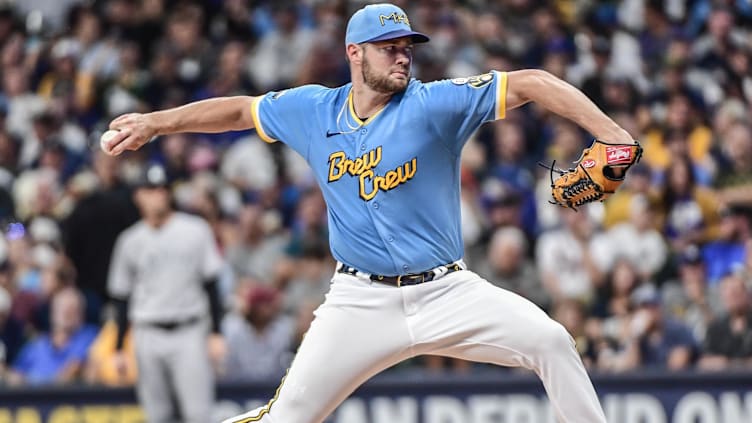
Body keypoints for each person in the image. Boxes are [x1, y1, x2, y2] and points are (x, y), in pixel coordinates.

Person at [103, 4, 639, 422]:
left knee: (551, 342)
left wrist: (612, 136)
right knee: (285, 417)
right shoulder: (314, 109)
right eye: (389, 48)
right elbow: (239, 110)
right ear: (355, 52)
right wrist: (156, 122)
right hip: (359, 300)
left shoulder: (434, 104)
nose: (403, 56)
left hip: (447, 291)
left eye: (408, 46)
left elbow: (532, 82)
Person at [107, 164, 226, 423]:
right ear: (138, 195)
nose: (158, 195)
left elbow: (211, 285)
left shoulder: (195, 230)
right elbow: (121, 298)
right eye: (150, 189)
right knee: (157, 416)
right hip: (146, 333)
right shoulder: (130, 241)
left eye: (162, 189)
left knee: (199, 414)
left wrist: (217, 332)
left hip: (189, 331)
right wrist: (118, 348)